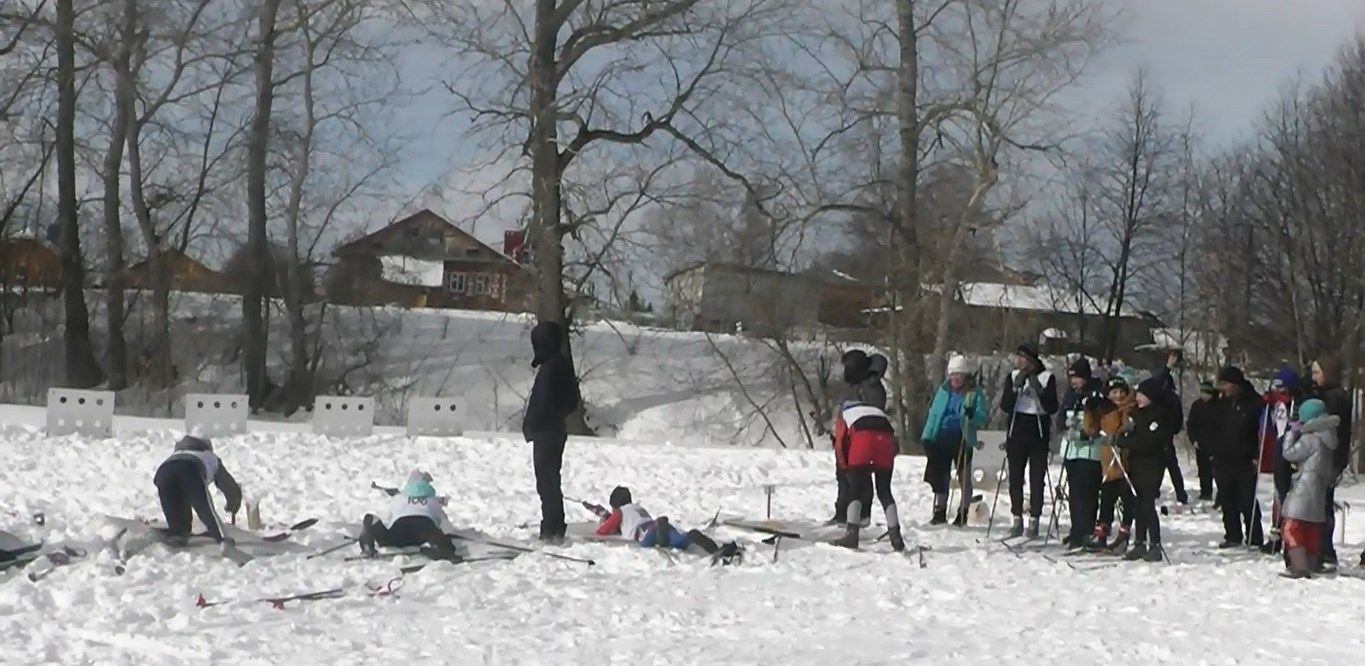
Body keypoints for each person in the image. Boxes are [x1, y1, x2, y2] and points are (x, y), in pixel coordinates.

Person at [522, 321, 582, 544]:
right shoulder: (561, 365)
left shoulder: (551, 368)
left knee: (546, 482)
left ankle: (551, 528)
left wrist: (532, 426)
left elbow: (542, 403)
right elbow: (571, 402)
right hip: (556, 431)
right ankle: (555, 525)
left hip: (546, 433)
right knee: (551, 480)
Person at [1114, 377, 1180, 563]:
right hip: (1135, 464)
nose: (1139, 398)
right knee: (1137, 504)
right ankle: (1140, 542)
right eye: (1138, 394)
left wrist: (1124, 441)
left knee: (1147, 504)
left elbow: (1148, 442)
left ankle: (1155, 544)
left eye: (1143, 395)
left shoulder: (1159, 416)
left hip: (1152, 464)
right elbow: (1130, 432)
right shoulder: (1137, 414)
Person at [920, 355, 990, 526]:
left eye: (958, 374)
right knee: (940, 475)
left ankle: (963, 511)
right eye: (952, 374)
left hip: (962, 437)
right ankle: (940, 510)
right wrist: (927, 437)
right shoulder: (943, 391)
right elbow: (934, 415)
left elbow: (982, 417)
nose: (955, 378)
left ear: (965, 375)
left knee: (964, 477)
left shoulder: (974, 393)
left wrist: (971, 415)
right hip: (941, 437)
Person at [998, 343, 1059, 538]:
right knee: (1015, 476)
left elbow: (1052, 407)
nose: (1020, 361)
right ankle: (1017, 517)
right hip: (1017, 428)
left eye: (1024, 358)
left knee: (1036, 477)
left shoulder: (1046, 377)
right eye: (1019, 357)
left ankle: (1034, 518)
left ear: (1032, 360)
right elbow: (1005, 406)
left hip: (1038, 429)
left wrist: (1040, 391)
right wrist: (1015, 389)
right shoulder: (1013, 376)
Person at [830, 401, 905, 551]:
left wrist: (845, 469)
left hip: (862, 448)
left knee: (855, 491)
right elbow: (894, 442)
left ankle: (851, 534)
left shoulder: (844, 415)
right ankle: (895, 534)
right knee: (884, 491)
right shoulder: (876, 411)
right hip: (884, 446)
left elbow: (839, 446)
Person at [1278, 399, 1340, 578]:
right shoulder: (1329, 438)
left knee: (1292, 527)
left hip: (1303, 488)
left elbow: (1288, 453)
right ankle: (1311, 563)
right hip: (1318, 491)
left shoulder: (1310, 438)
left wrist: (1290, 433)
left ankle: (1300, 566)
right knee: (1312, 528)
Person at [153, 431, 243, 549]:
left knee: (179, 530)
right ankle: (223, 541)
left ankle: (169, 534)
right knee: (205, 510)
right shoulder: (210, 457)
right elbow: (229, 486)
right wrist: (232, 505)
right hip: (190, 470)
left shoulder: (176, 454)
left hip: (163, 473)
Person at [828, 349, 883, 527]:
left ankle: (862, 514)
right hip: (845, 437)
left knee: (861, 477)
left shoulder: (871, 385)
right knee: (842, 476)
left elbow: (873, 412)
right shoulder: (850, 386)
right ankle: (842, 513)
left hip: (862, 439)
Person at [588, 486, 728, 556]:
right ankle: (712, 548)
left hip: (646, 532)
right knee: (680, 541)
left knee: (647, 543)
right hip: (657, 526)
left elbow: (603, 530)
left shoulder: (620, 512)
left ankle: (660, 527)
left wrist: (603, 518)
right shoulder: (637, 507)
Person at [1214, 366, 1265, 548]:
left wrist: (1256, 454)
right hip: (1223, 458)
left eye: (1225, 384)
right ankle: (1233, 535)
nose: (1222, 388)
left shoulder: (1254, 403)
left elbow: (1262, 431)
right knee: (1227, 499)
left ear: (1235, 384)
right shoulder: (1221, 402)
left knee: (1247, 499)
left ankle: (1255, 536)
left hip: (1245, 459)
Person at [359, 471, 459, 561]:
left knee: (369, 518)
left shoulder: (398, 498)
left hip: (398, 533)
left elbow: (388, 521)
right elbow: (442, 523)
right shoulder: (434, 501)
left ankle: (367, 547)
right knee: (443, 540)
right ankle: (441, 550)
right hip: (423, 530)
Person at [1309, 358, 1352, 570]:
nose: (1314, 377)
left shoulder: (1335, 397)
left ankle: (1324, 550)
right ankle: (1321, 548)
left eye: (1317, 373)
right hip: (1326, 456)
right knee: (1320, 502)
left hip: (1330, 457)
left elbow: (1329, 424)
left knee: (1322, 504)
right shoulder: (1327, 394)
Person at [1059, 357, 1104, 550]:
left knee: (1088, 492)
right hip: (1071, 451)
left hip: (1089, 451)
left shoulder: (1095, 393)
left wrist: (1084, 433)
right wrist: (1064, 425)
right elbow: (1060, 417)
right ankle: (1077, 529)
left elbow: (1098, 420)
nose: (1074, 382)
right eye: (1072, 379)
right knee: (1075, 492)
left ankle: (1087, 529)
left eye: (1077, 378)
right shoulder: (1069, 395)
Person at [1089, 376, 1137, 552]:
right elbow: (1092, 427)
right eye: (1115, 392)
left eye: (1121, 392)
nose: (1118, 396)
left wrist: (1120, 436)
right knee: (1107, 498)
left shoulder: (1129, 409)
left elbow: (1128, 427)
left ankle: (1124, 534)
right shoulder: (1104, 410)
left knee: (1127, 498)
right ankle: (1102, 532)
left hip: (1124, 460)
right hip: (1108, 460)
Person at [1259, 367, 1303, 555]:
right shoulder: (1275, 404)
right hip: (1279, 448)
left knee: (1291, 497)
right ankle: (1276, 535)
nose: (1280, 391)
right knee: (1278, 495)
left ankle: (1291, 537)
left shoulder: (1299, 402)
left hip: (1293, 451)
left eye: (1283, 388)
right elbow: (1267, 424)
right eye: (1277, 388)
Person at [1151, 355, 1189, 504]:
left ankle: (1179, 493)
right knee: (1164, 465)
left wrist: (1173, 429)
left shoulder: (1166, 398)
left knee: (1167, 464)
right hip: (1163, 433)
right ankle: (1177, 493)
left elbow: (1178, 416)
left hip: (1163, 433)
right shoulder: (1169, 397)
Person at [1185, 381, 1221, 502]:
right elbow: (1191, 424)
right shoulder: (1196, 405)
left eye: (1206, 393)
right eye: (1202, 393)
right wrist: (1193, 439)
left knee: (1217, 471)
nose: (1204, 396)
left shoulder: (1218, 405)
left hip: (1215, 444)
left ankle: (1221, 496)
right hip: (1200, 443)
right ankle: (1205, 492)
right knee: (1203, 469)